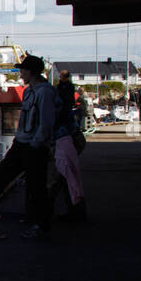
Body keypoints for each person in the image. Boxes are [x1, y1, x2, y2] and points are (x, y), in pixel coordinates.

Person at [0, 54, 58, 238]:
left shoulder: (45, 93)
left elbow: (46, 122)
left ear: (31, 72)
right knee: (0, 177)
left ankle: (41, 226)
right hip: (21, 143)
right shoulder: (28, 91)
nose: (20, 74)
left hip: (34, 147)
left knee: (37, 188)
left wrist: (36, 144)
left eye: (23, 70)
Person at [52, 72, 87, 221]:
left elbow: (60, 114)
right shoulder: (68, 90)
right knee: (71, 178)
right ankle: (75, 210)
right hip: (72, 138)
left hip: (65, 139)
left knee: (65, 178)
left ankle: (73, 211)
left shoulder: (60, 94)